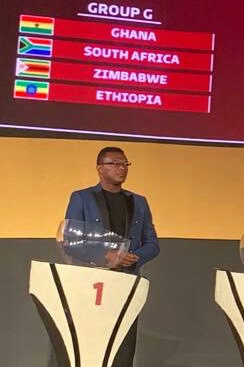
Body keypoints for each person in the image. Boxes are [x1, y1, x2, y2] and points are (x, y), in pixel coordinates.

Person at [65, 146, 160, 366]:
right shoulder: (82, 198)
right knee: (92, 342)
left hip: (127, 281)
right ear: (100, 168)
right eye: (115, 163)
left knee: (124, 344)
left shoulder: (139, 201)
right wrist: (105, 255)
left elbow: (153, 244)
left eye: (125, 164)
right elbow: (71, 240)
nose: (122, 168)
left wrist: (132, 257)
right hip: (93, 281)